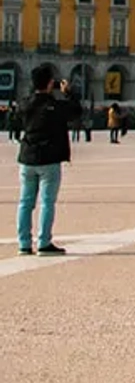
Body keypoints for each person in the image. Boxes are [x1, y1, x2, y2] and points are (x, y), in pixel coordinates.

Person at [15, 67, 81, 255]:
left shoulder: (25, 104)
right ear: (51, 83)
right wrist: (69, 93)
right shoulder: (55, 106)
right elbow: (76, 111)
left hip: (27, 158)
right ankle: (44, 242)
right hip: (49, 159)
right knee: (47, 202)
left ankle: (24, 244)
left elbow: (21, 113)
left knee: (25, 202)